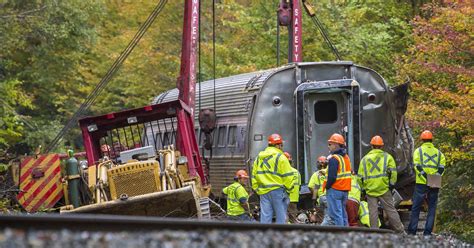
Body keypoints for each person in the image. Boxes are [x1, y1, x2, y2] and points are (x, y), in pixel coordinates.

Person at [358, 135, 405, 233]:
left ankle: (375, 232)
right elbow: (393, 172)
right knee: (391, 210)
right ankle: (400, 231)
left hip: (370, 190)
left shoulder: (364, 159)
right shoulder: (388, 157)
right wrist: (391, 184)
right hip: (384, 189)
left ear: (371, 146)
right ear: (382, 146)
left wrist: (363, 189)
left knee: (373, 212)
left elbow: (359, 177)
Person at [408, 130, 446, 236]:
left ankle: (412, 232)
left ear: (422, 140)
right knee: (432, 207)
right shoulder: (439, 153)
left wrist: (426, 176)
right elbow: (441, 168)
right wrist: (433, 177)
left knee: (416, 207)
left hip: (421, 182)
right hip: (434, 181)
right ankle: (427, 233)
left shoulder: (418, 151)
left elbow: (417, 166)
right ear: (431, 140)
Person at [251, 133, 293, 224]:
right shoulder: (281, 157)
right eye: (281, 145)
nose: (282, 147)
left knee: (265, 216)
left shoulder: (259, 158)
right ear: (278, 145)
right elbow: (288, 176)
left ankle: (265, 236)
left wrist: (256, 188)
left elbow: (254, 175)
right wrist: (289, 189)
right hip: (278, 191)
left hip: (263, 191)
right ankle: (279, 236)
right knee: (281, 216)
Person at [325, 133, 352, 226]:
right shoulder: (346, 157)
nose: (329, 146)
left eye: (330, 144)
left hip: (335, 189)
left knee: (336, 215)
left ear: (336, 145)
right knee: (343, 214)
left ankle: (340, 235)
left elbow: (332, 177)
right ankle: (346, 234)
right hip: (345, 190)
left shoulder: (334, 159)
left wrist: (327, 186)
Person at [308, 156, 331, 225]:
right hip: (330, 198)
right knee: (330, 217)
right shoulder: (330, 172)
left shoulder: (316, 175)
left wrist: (315, 199)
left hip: (321, 199)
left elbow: (312, 187)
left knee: (321, 218)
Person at [284, 152, 301, 223]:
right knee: (292, 217)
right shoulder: (296, 172)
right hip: (294, 198)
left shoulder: (284, 171)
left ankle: (287, 231)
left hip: (285, 197)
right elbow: (299, 186)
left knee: (285, 217)